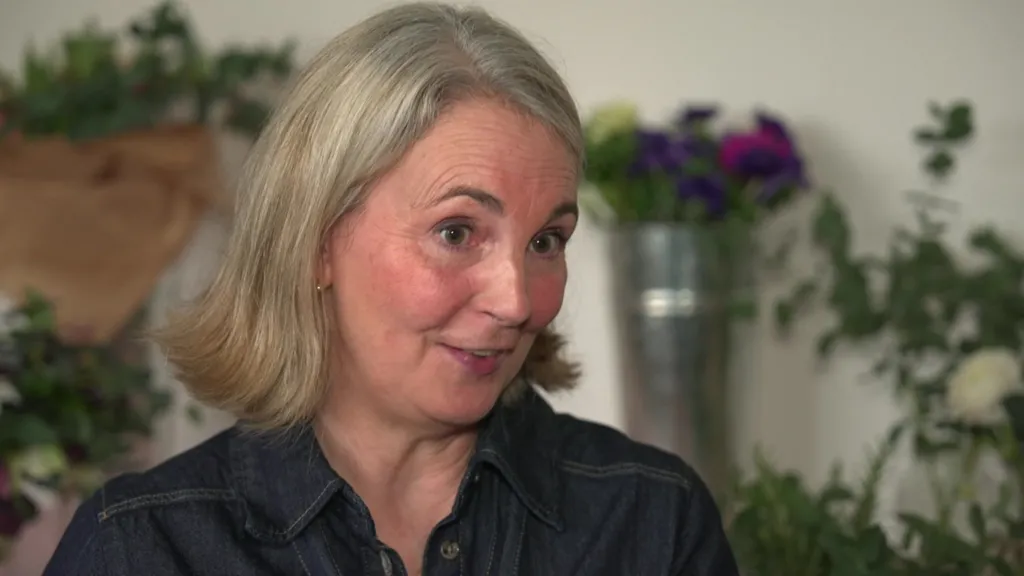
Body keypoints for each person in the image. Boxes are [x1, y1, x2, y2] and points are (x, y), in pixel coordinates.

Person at [44, 3, 739, 575]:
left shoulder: (651, 521)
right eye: (457, 232)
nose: (517, 301)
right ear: (317, 242)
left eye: (545, 241)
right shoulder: (140, 547)